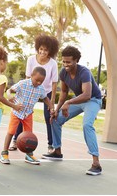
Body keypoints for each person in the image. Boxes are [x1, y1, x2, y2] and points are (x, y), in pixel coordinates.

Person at [42, 46, 102, 176]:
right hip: (79, 100)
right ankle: (57, 152)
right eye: (63, 62)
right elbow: (63, 92)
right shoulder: (63, 72)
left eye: (68, 62)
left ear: (76, 60)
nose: (65, 65)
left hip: (93, 100)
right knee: (56, 119)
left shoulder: (84, 72)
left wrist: (68, 103)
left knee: (87, 125)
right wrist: (56, 110)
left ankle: (96, 164)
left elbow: (87, 94)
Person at [9, 34, 59, 153]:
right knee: (22, 113)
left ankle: (50, 145)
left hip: (45, 91)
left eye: (46, 50)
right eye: (41, 49)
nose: (42, 52)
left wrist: (51, 103)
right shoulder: (31, 59)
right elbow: (27, 78)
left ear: (50, 51)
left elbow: (54, 83)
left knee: (49, 118)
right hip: (30, 89)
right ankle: (16, 140)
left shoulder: (53, 63)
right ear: (38, 48)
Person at [0, 66, 54, 165]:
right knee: (11, 132)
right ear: (31, 76)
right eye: (37, 80)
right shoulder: (23, 83)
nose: (38, 83)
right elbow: (9, 90)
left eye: (41, 81)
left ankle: (29, 155)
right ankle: (4, 153)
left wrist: (51, 107)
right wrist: (9, 96)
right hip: (17, 112)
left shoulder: (41, 88)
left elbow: (45, 98)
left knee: (29, 136)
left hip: (28, 113)